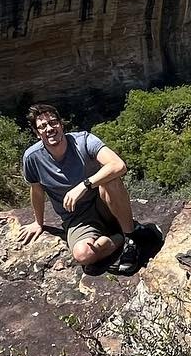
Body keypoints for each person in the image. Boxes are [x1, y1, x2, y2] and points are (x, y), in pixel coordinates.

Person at [22, 102, 140, 273]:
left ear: (61, 125)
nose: (49, 128)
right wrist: (38, 222)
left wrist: (85, 185)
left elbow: (118, 165)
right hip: (77, 218)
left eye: (53, 122)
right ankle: (120, 237)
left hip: (104, 203)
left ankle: (131, 240)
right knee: (83, 256)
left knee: (111, 178)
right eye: (42, 126)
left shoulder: (83, 141)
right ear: (37, 133)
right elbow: (37, 191)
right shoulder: (32, 158)